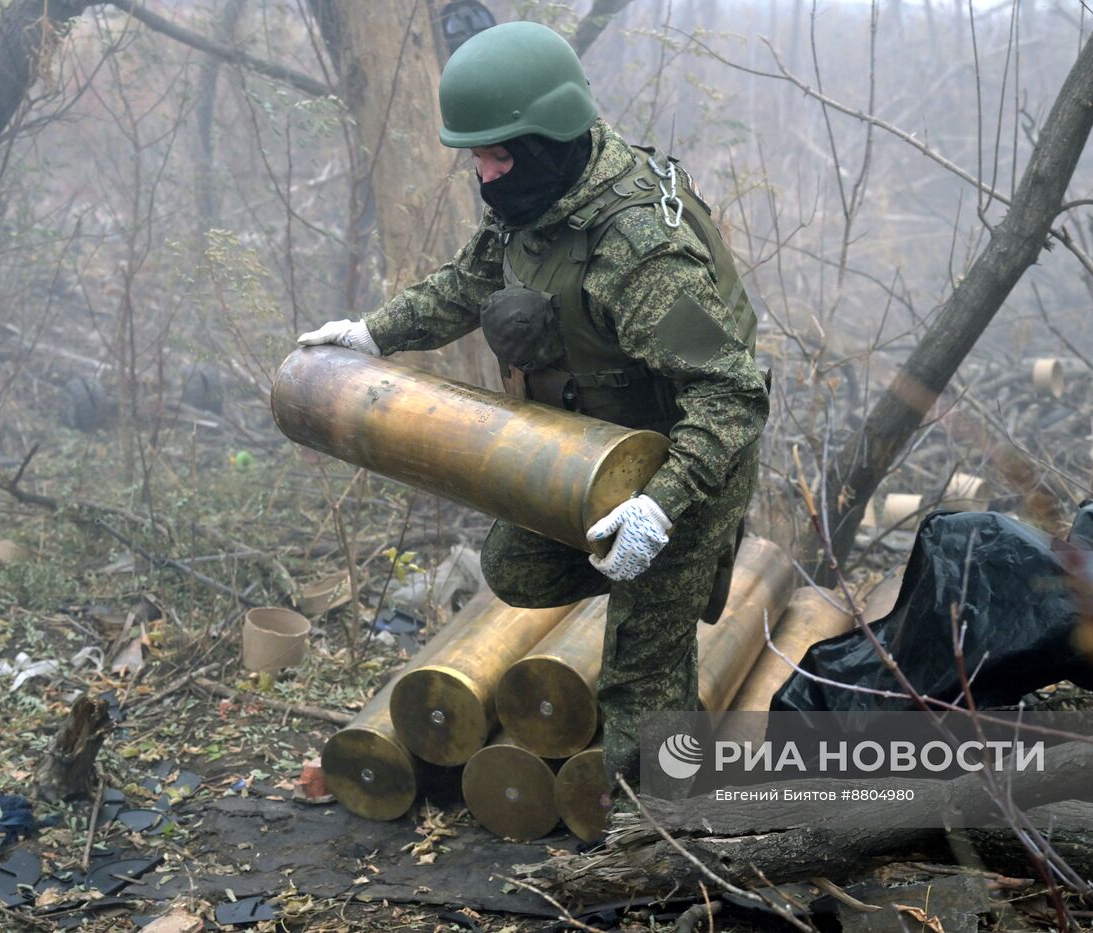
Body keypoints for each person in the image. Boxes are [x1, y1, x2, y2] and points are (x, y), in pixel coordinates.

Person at [298, 21, 768, 793]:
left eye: (497, 155)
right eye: (475, 157)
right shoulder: (537, 202)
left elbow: (728, 395)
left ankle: (661, 841)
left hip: (688, 462)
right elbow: (467, 282)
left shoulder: (643, 249)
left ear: (547, 138)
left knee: (640, 685)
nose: (484, 175)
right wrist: (372, 333)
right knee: (513, 564)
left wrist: (662, 510)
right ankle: (656, 600)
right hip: (598, 452)